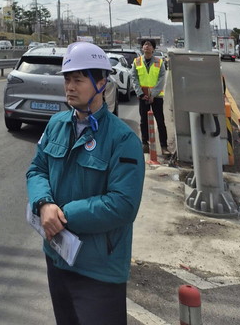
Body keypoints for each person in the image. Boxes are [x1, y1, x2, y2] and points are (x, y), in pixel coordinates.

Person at [27, 42, 145, 325]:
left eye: (78, 80)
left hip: (98, 270)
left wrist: (62, 216)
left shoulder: (122, 139)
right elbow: (37, 169)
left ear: (101, 83)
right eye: (67, 79)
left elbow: (123, 205)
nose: (69, 87)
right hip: (57, 257)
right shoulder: (56, 124)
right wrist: (44, 204)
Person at [129, 38, 169, 156]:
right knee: (143, 121)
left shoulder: (159, 62)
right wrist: (140, 93)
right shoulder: (137, 61)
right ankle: (145, 144)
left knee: (160, 121)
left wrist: (153, 94)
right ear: (142, 48)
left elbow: (161, 79)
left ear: (153, 49)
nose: (147, 46)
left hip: (156, 97)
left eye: (149, 45)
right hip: (143, 96)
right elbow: (134, 78)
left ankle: (164, 146)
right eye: (145, 44)